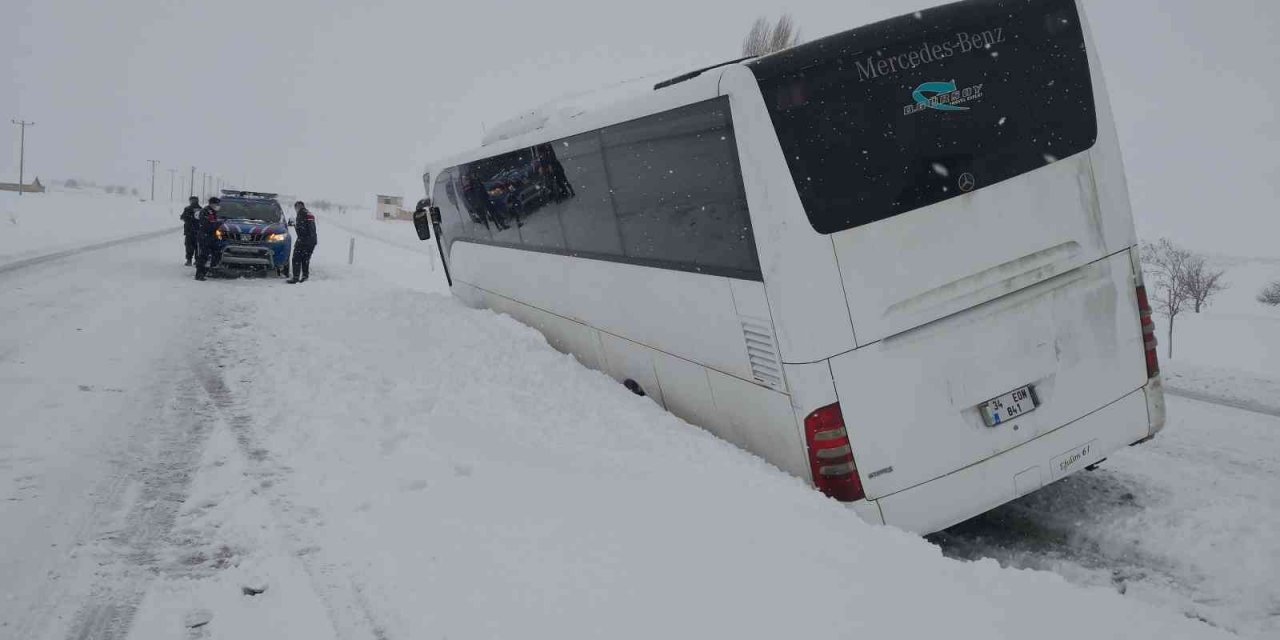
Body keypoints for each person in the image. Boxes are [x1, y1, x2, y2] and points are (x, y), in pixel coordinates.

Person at [194, 197, 222, 281]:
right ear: (211, 203)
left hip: (213, 237)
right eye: (216, 204)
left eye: (218, 204)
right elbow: (206, 225)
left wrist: (219, 236)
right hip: (205, 237)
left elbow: (215, 227)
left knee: (217, 254)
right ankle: (199, 274)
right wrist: (218, 223)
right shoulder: (205, 211)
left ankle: (210, 271)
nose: (218, 206)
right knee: (203, 256)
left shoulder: (213, 212)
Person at [288, 201, 317, 284]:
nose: (296, 210)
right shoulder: (308, 213)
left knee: (296, 258)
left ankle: (295, 278)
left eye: (295, 208)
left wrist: (294, 225)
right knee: (305, 259)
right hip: (312, 241)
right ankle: (305, 276)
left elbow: (301, 231)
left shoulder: (301, 214)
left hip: (304, 241)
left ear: (298, 207)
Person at [179, 196, 201, 266]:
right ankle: (197, 260)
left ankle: (189, 260)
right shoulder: (201, 209)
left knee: (189, 246)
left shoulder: (187, 209)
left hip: (189, 231)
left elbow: (183, 217)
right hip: (198, 231)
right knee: (197, 246)